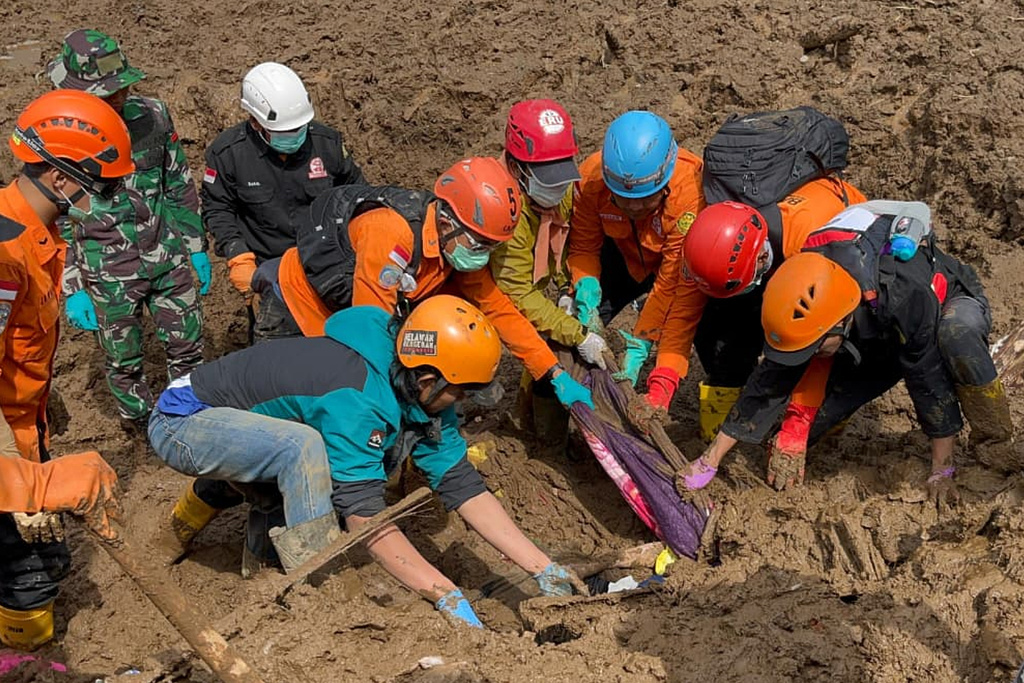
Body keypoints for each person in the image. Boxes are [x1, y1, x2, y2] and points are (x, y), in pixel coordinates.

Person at [149, 295, 586, 625]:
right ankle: (315, 591)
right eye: (462, 390)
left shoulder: (417, 385)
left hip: (244, 430)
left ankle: (258, 564)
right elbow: (363, 516)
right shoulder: (358, 396)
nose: (464, 401)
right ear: (428, 378)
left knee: (301, 457)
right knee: (303, 450)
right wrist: (444, 593)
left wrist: (541, 565)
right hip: (185, 422)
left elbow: (461, 484)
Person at [678, 201, 1014, 502]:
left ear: (838, 323)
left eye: (816, 346)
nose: (813, 355)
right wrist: (709, 460)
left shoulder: (903, 291)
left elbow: (927, 380)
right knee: (815, 419)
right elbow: (768, 382)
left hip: (943, 304)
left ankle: (995, 440)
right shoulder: (807, 272)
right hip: (871, 332)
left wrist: (942, 469)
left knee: (956, 333)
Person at [273, 156, 594, 409]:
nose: (484, 256)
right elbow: (370, 330)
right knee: (311, 405)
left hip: (359, 315)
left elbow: (499, 310)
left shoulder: (457, 246)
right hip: (301, 309)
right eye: (480, 245)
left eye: (492, 247)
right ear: (445, 222)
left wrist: (552, 372)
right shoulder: (391, 234)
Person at [0, 89, 134, 649]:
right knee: (26, 574)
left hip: (24, 434)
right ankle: (23, 664)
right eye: (99, 186)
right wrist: (18, 482)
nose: (102, 200)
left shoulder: (38, 236)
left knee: (49, 558)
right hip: (6, 448)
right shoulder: (4, 254)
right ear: (61, 179)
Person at [47, 29, 208, 431]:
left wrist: (195, 245)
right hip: (106, 271)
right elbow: (55, 219)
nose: (116, 99)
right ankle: (138, 427)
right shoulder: (55, 138)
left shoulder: (151, 116)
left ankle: (187, 419)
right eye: (104, 94)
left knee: (187, 347)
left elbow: (178, 182)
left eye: (120, 89)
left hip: (166, 256)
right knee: (123, 359)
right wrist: (73, 285)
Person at [634, 173, 866, 441]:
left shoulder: (809, 243)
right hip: (760, 260)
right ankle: (725, 411)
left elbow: (823, 334)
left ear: (762, 259)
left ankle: (825, 417)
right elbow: (682, 315)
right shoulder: (704, 246)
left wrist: (796, 426)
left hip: (842, 260)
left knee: (838, 344)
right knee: (716, 324)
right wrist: (660, 387)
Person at [201, 61, 366, 340]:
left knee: (338, 345)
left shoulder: (327, 144)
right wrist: (237, 254)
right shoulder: (227, 155)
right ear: (255, 122)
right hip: (271, 273)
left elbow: (357, 194)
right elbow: (218, 208)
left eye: (299, 128)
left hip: (329, 266)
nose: (294, 137)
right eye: (284, 133)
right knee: (275, 355)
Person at [489, 100, 607, 441]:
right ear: (516, 165)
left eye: (561, 175)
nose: (556, 188)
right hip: (499, 299)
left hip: (539, 289)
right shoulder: (504, 208)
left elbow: (576, 240)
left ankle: (539, 421)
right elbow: (518, 293)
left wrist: (573, 289)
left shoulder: (563, 189)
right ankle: (539, 436)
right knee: (538, 346)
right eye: (546, 178)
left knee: (550, 338)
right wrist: (577, 333)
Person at [568, 110, 705, 386]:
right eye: (622, 199)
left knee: (711, 339)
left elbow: (670, 279)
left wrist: (643, 336)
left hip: (670, 261)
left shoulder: (689, 191)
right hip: (621, 255)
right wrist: (585, 286)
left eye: (644, 200)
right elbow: (583, 245)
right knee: (570, 339)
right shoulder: (591, 181)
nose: (633, 207)